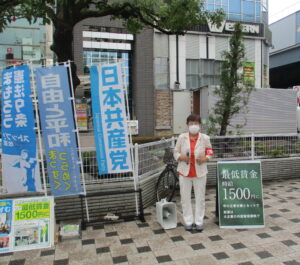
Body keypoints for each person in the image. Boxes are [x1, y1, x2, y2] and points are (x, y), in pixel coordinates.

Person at [174, 114, 213, 231]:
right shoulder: (182, 137)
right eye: (191, 124)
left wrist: (205, 159)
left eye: (195, 123)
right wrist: (180, 157)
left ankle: (199, 221)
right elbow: (175, 151)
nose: (193, 126)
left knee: (200, 198)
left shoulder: (205, 138)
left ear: (199, 125)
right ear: (187, 125)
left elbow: (210, 152)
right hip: (184, 172)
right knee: (185, 198)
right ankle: (188, 221)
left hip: (200, 172)